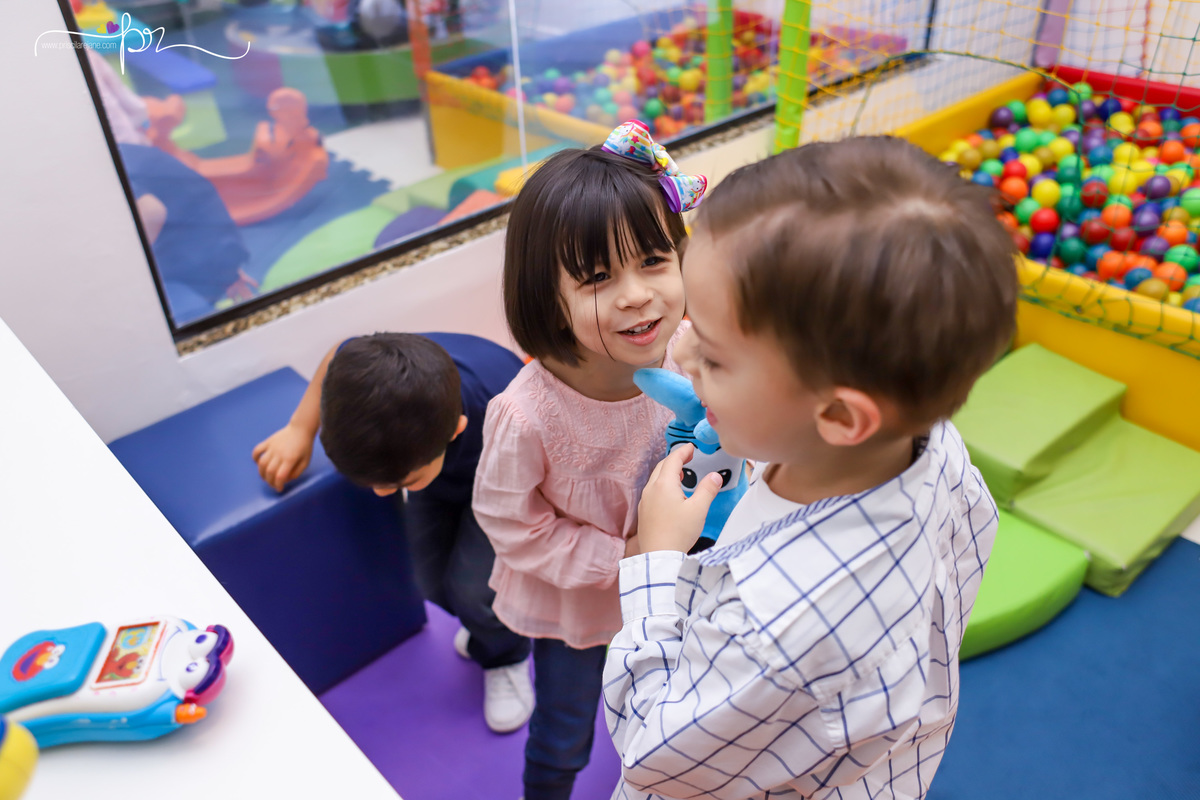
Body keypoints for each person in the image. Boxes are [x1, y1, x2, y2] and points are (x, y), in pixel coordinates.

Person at [604, 135, 1019, 799]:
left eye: (711, 355)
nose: (680, 353)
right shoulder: (930, 445)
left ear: (841, 417)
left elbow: (655, 752)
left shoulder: (777, 633)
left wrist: (656, 560)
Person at [471, 120, 707, 800]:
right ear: (550, 295)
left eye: (654, 262)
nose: (637, 294)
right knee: (566, 729)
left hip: (683, 578)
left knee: (679, 706)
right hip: (584, 607)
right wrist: (625, 558)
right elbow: (511, 523)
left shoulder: (690, 350)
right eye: (598, 277)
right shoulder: (527, 414)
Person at [251, 332, 534, 733]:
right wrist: (300, 428)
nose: (383, 493)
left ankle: (508, 654)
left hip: (503, 478)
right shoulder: (403, 448)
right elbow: (339, 350)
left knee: (477, 591)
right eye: (375, 483)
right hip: (429, 467)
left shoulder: (507, 410)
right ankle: (487, 628)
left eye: (395, 482)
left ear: (456, 430)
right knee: (428, 578)